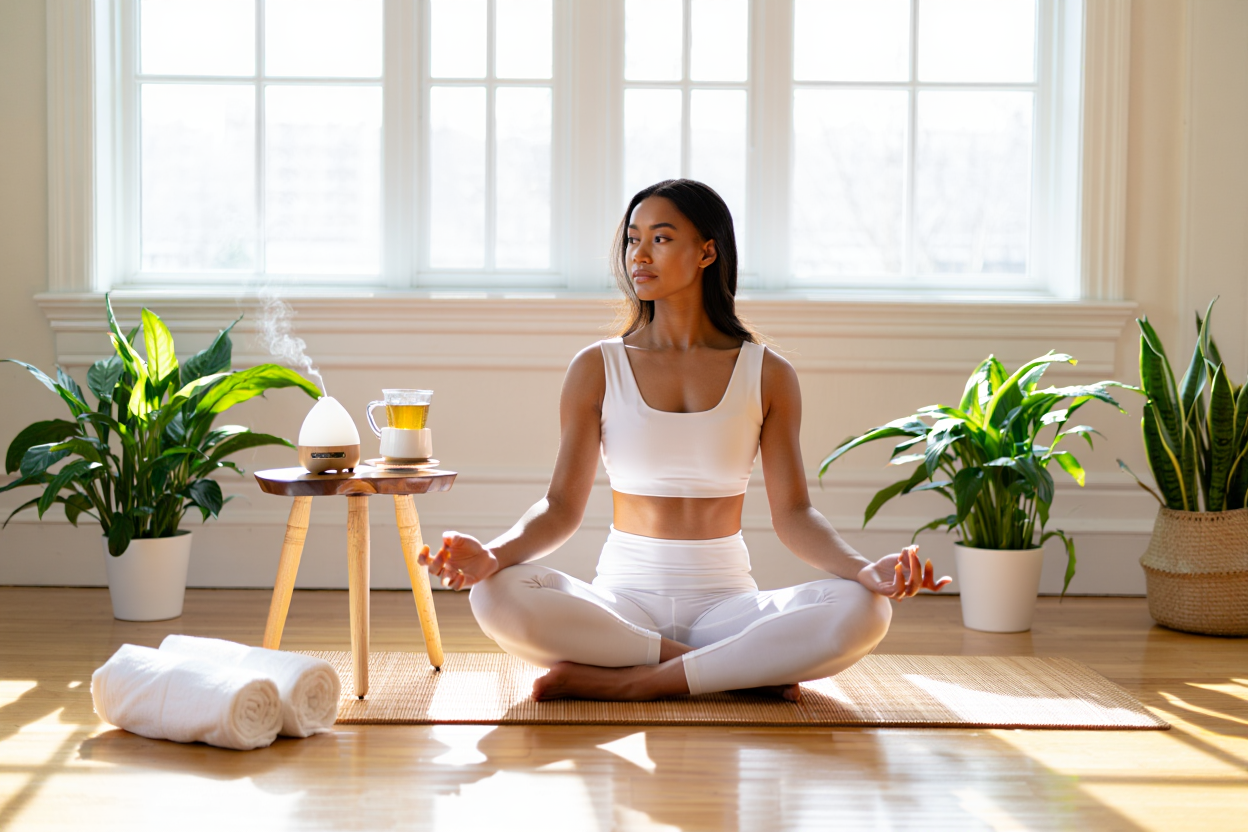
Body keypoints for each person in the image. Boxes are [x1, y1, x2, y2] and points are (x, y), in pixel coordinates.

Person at [418, 179, 950, 702]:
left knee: (866, 609)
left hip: (729, 609)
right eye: (632, 238)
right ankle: (737, 671)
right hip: (621, 607)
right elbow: (560, 508)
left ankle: (632, 681)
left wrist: (862, 570)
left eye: (662, 238)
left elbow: (794, 514)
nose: (639, 255)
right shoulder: (597, 367)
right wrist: (492, 554)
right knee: (495, 594)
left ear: (707, 252)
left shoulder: (767, 374)